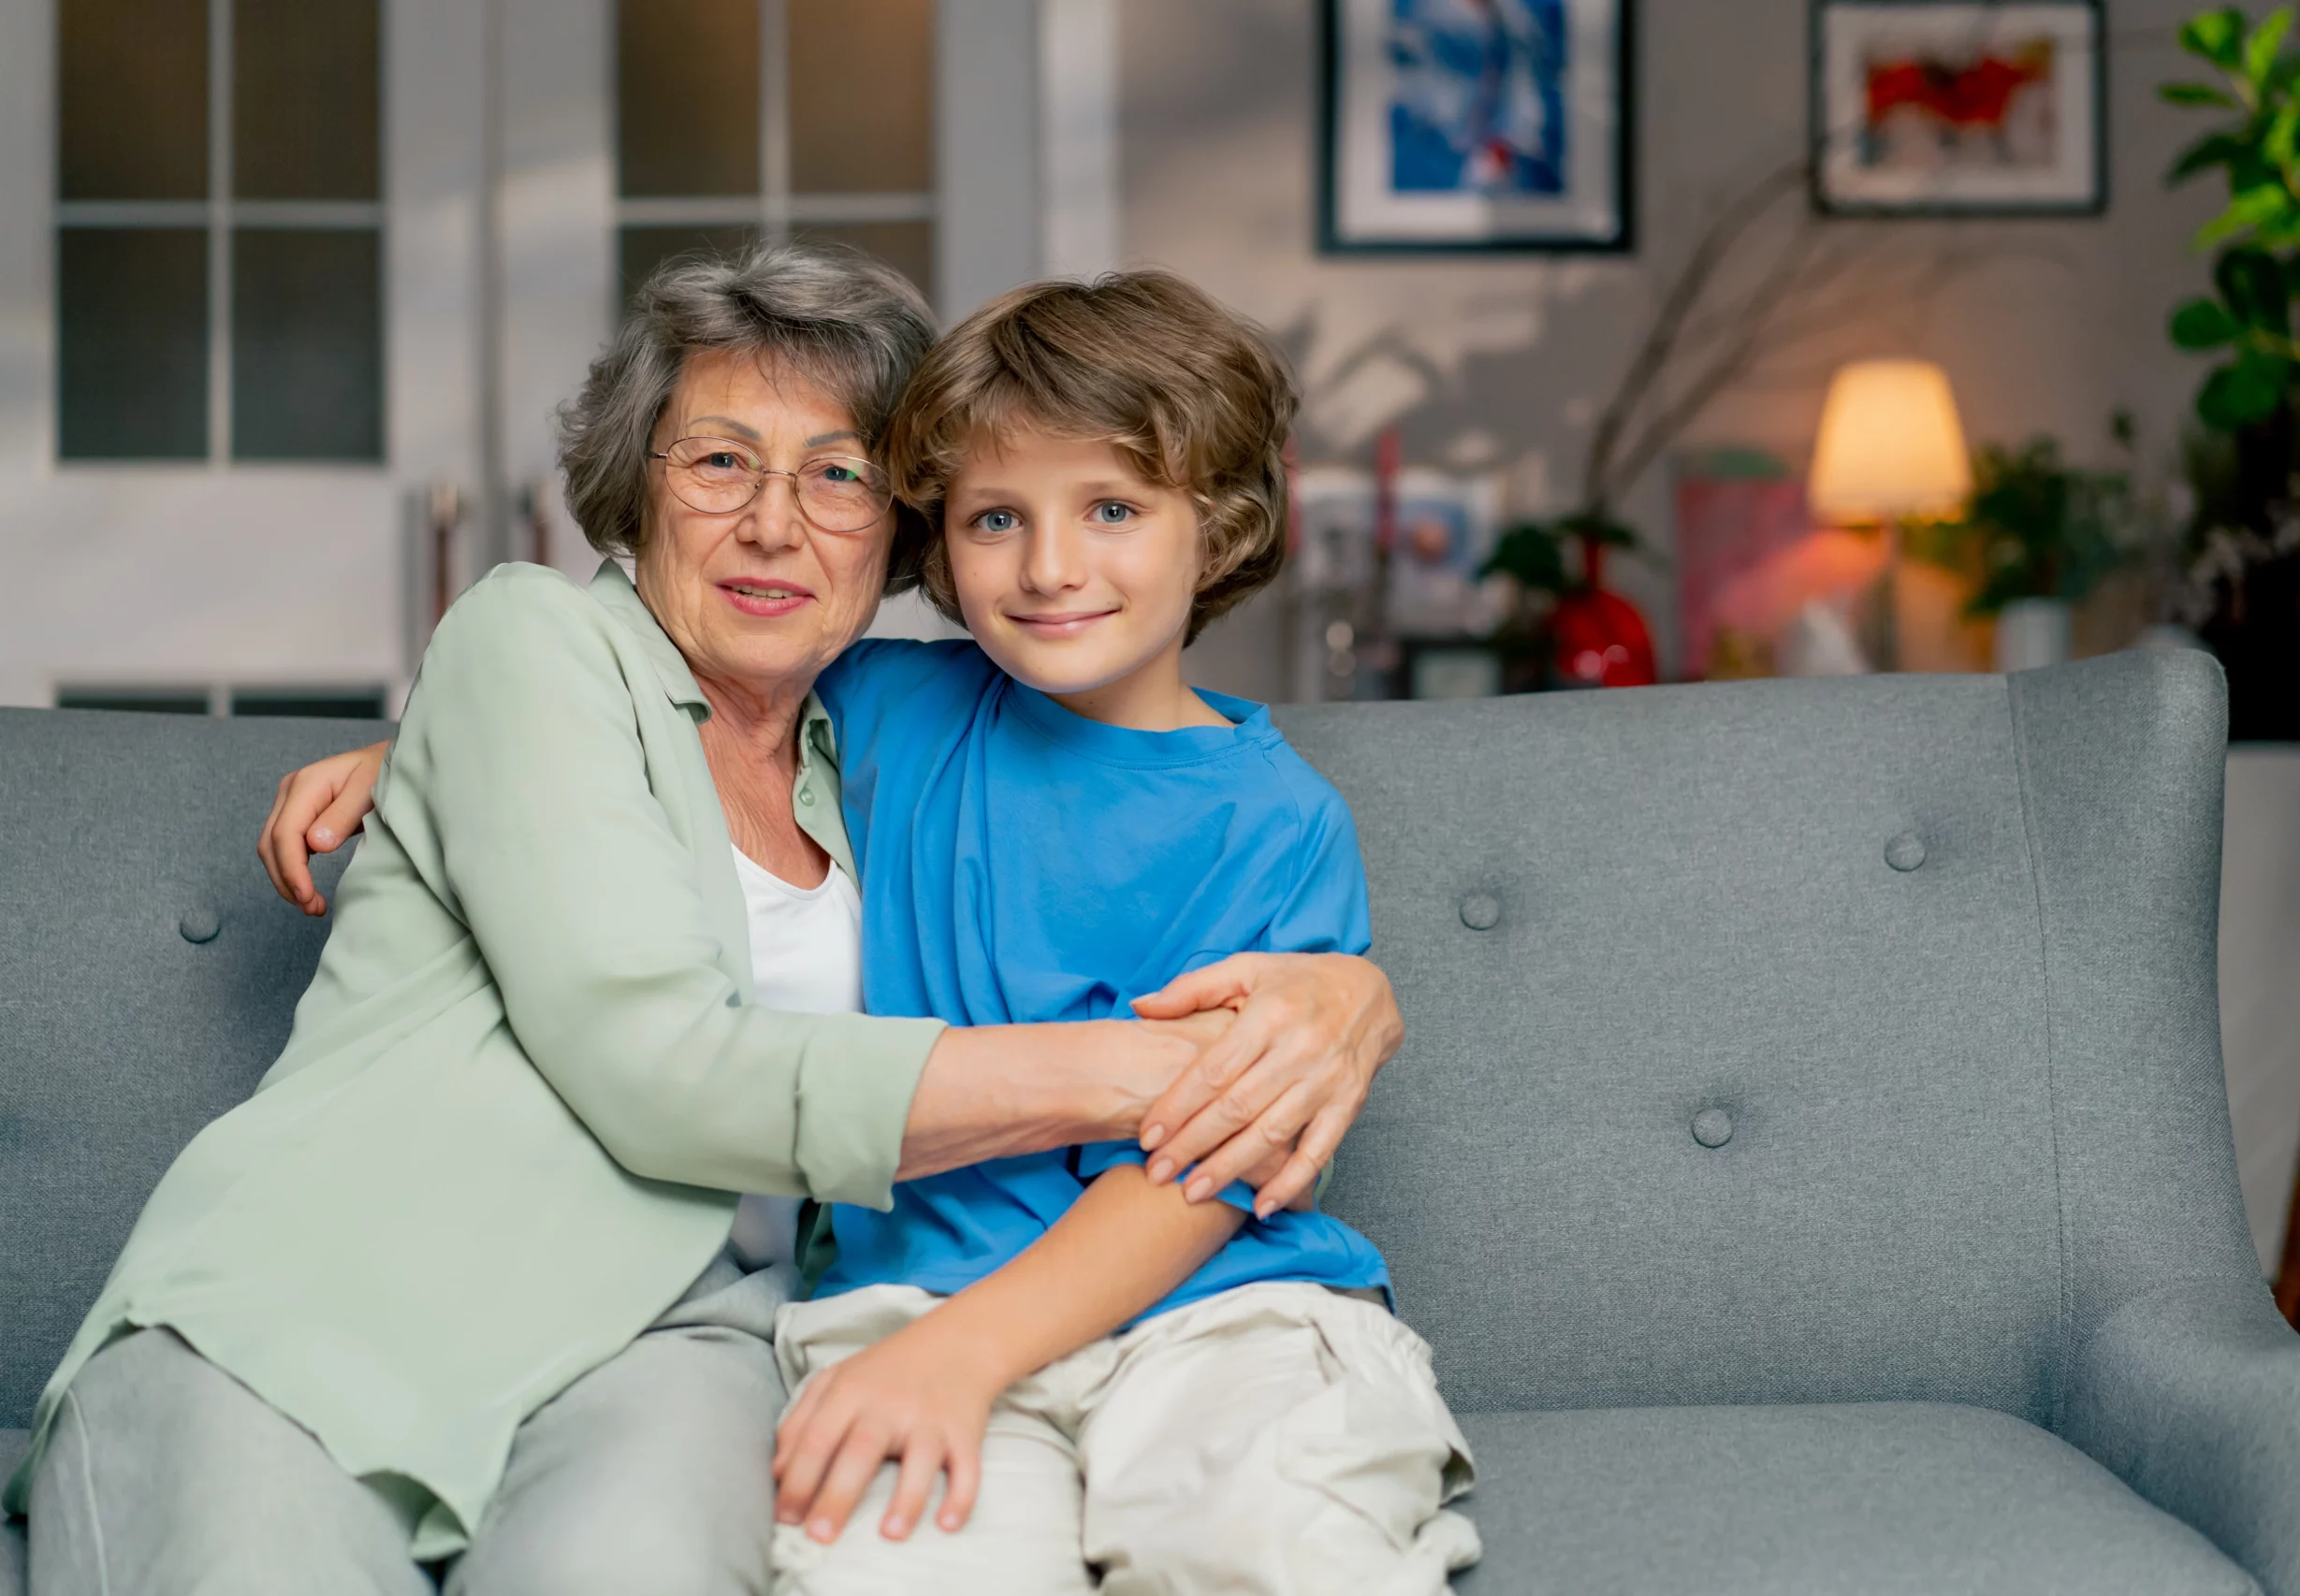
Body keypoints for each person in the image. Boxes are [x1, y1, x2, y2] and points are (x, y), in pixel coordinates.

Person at [11, 244, 1405, 1596]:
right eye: (721, 460)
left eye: (838, 475)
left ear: (898, 531)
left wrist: (1347, 994)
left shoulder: (865, 735)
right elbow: (660, 1062)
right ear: (636, 486)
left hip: (670, 1347)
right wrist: (1165, 1070)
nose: (774, 523)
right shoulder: (545, 648)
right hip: (337, 1294)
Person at [765, 272, 1479, 1594]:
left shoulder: (1277, 820)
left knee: (1279, 1549)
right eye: (994, 516)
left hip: (1229, 1314)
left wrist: (973, 1348)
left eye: (1111, 507)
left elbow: (1203, 1166)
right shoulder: (880, 707)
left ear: (1214, 527)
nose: (1049, 566)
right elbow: (656, 692)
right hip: (908, 1301)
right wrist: (423, 756)